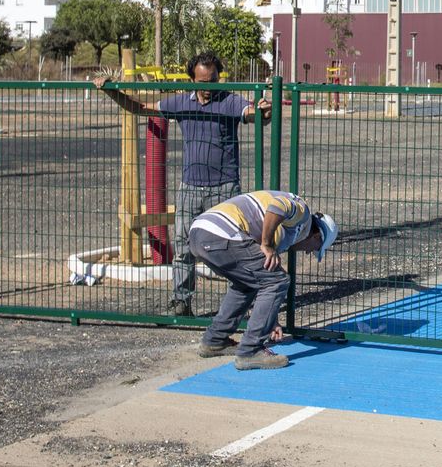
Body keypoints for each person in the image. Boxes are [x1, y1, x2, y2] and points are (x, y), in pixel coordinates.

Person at [93, 51, 271, 316]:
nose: (208, 87)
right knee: (184, 247)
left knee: (235, 247)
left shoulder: (229, 101)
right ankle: (181, 302)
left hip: (225, 189)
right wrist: (110, 91)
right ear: (192, 79)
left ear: (218, 77)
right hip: (190, 188)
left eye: (212, 80)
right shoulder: (181, 103)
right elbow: (139, 108)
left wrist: (263, 110)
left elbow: (253, 114)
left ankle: (244, 302)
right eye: (202, 82)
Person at [187, 189, 336, 369]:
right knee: (278, 280)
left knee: (246, 284)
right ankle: (250, 351)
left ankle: (215, 341)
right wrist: (266, 244)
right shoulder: (302, 215)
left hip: (199, 233)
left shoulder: (284, 235)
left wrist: (270, 321)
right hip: (221, 233)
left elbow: (260, 281)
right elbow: (278, 206)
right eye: (314, 248)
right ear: (317, 235)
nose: (307, 251)